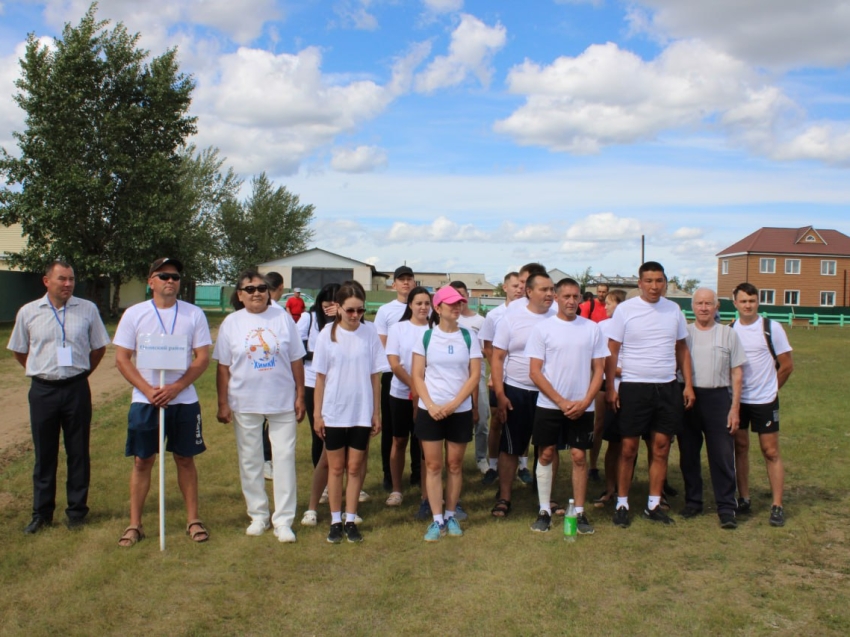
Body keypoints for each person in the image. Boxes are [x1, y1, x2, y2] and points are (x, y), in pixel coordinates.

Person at [113, 258, 212, 547]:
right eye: (164, 276)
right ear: (151, 281)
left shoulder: (193, 314)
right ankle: (135, 524)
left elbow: (202, 357)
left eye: (175, 276)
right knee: (143, 460)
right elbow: (122, 358)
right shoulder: (135, 314)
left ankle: (193, 520)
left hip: (183, 400)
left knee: (184, 458)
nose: (171, 281)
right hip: (145, 401)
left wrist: (177, 387)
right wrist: (147, 389)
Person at [8, 260, 110, 534]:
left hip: (76, 388)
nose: (67, 284)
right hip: (43, 391)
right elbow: (19, 350)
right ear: (46, 281)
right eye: (62, 279)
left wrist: (83, 372)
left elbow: (99, 347)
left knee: (78, 452)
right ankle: (42, 514)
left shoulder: (87, 309)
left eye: (71, 280)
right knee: (44, 454)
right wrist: (39, 370)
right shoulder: (29, 312)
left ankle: (77, 512)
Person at [214, 271, 306, 542]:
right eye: (250, 288)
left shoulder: (282, 318)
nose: (256, 293)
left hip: (281, 400)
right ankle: (258, 515)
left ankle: (283, 520)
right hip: (245, 400)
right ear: (240, 294)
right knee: (251, 460)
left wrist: (300, 395)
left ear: (269, 291)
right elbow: (222, 366)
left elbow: (297, 360)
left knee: (284, 459)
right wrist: (222, 402)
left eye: (262, 288)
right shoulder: (232, 323)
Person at [605, 261, 694, 528]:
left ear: (665, 282)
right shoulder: (625, 310)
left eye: (659, 281)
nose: (655, 286)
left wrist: (687, 384)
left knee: (661, 448)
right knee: (628, 449)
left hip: (666, 387)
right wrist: (611, 387)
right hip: (634, 386)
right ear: (640, 283)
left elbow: (682, 349)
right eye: (649, 281)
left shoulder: (674, 310)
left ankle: (654, 504)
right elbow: (612, 350)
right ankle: (622, 502)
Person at [526, 278, 607, 534]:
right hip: (550, 405)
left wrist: (585, 401)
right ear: (557, 298)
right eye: (567, 297)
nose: (572, 301)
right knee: (546, 454)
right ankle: (544, 510)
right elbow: (535, 372)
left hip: (583, 406)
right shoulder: (543, 329)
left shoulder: (592, 329)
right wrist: (560, 402)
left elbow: (599, 370)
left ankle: (580, 513)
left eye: (576, 297)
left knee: (579, 456)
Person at [312, 284, 387, 543]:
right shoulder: (326, 335)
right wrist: (317, 415)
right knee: (335, 468)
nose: (355, 315)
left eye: (360, 310)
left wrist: (376, 413)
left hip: (361, 412)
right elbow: (320, 378)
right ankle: (335, 520)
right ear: (339, 309)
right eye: (350, 310)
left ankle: (351, 518)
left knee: (354, 468)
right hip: (334, 411)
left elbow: (375, 376)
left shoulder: (370, 333)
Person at [411, 285, 482, 541]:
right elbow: (417, 376)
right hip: (430, 410)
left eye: (459, 303)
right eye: (451, 303)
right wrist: (430, 405)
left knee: (454, 465)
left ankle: (451, 515)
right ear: (438, 308)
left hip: (459, 411)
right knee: (433, 465)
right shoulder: (426, 337)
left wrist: (454, 405)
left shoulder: (469, 337)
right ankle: (436, 519)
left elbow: (474, 376)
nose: (457, 307)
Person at [677, 288, 746, 529]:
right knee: (688, 454)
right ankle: (693, 501)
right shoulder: (684, 334)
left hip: (718, 398)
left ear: (717, 307)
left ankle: (726, 507)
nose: (704, 308)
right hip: (689, 396)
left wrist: (734, 408)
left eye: (709, 304)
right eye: (699, 303)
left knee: (722, 455)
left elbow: (737, 373)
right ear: (692, 307)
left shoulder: (728, 334)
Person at [490, 272, 555, 517]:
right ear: (529, 291)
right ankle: (505, 496)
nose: (549, 294)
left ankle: (546, 498)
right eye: (544, 289)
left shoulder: (559, 317)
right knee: (511, 447)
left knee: (547, 447)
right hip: (516, 390)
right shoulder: (511, 318)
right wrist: (500, 393)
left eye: (551, 289)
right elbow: (497, 358)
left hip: (548, 393)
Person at [731, 282, 793, 527]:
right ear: (734, 303)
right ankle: (743, 498)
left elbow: (787, 365)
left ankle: (777, 505)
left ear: (758, 302)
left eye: (752, 301)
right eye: (743, 301)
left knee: (771, 451)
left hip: (765, 401)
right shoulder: (730, 329)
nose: (748, 305)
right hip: (738, 400)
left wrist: (771, 388)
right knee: (740, 447)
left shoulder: (771, 328)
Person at [385, 286, 432, 508]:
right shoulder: (398, 329)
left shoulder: (435, 329)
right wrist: (415, 386)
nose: (423, 307)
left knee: (426, 443)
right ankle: (396, 489)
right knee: (399, 440)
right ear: (410, 305)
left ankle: (427, 492)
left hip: (428, 397)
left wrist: (421, 391)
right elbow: (394, 363)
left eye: (426, 303)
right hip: (401, 394)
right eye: (418, 303)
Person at [299, 283, 340, 527]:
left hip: (338, 383)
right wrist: (320, 355)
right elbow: (298, 349)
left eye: (336, 300)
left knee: (339, 435)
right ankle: (322, 485)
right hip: (313, 380)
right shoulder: (308, 318)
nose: (330, 305)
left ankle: (338, 482)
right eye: (327, 300)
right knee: (320, 434)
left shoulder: (345, 321)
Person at [375, 265, 417, 492]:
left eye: (410, 279)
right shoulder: (385, 311)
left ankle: (418, 474)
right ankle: (389, 475)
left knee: (419, 427)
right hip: (392, 373)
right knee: (393, 430)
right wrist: (397, 365)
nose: (406, 283)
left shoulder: (423, 308)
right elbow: (382, 341)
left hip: (420, 375)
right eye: (401, 279)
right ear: (394, 285)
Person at [478, 271, 523, 482]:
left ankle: (523, 465)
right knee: (497, 420)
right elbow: (487, 348)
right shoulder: (494, 315)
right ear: (505, 288)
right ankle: (493, 466)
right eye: (514, 285)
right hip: (499, 377)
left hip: (522, 378)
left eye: (522, 285)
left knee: (523, 423)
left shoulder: (531, 314)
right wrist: (497, 373)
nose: (519, 289)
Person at [450, 281, 489, 478]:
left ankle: (482, 458)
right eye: (454, 295)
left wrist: (471, 349)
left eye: (461, 295)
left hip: (477, 375)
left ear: (467, 296)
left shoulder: (480, 321)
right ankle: (451, 462)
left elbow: (487, 351)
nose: (458, 299)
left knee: (481, 419)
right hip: (453, 376)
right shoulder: (448, 319)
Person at [592, 289, 626, 508]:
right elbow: (601, 358)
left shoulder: (631, 324)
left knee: (629, 441)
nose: (606, 307)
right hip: (608, 384)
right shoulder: (603, 327)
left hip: (632, 388)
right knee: (606, 431)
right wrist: (618, 371)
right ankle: (597, 471)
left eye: (610, 304)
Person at [262, 271, 286, 480]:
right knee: (265, 419)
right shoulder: (278, 313)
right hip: (265, 373)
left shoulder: (280, 313)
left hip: (274, 374)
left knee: (268, 419)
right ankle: (265, 459)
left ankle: (267, 459)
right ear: (281, 287)